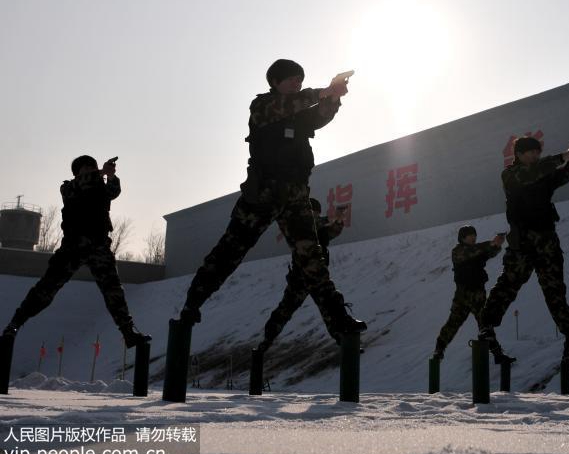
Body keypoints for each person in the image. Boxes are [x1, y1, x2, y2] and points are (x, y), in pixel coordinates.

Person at [177, 59, 365, 340]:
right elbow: (290, 105)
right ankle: (192, 305)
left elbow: (319, 116)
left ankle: (340, 322)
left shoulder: (297, 113)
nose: (297, 84)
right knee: (230, 251)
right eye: (291, 79)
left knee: (312, 258)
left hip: (296, 195)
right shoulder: (263, 106)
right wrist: (321, 92)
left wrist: (334, 97)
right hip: (263, 194)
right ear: (275, 82)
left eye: (300, 80)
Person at [2, 156, 150, 347]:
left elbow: (114, 191)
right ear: (78, 172)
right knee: (47, 288)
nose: (91, 171)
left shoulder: (100, 188)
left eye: (92, 167)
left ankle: (128, 332)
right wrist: (102, 172)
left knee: (113, 290)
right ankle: (14, 324)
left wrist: (111, 176)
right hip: (73, 246)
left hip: (98, 246)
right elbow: (81, 183)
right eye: (86, 168)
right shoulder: (69, 187)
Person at [478, 136, 569, 361]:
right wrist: (563, 156)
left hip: (547, 242)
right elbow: (532, 174)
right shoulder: (511, 175)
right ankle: (487, 327)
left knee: (555, 290)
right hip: (523, 243)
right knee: (509, 285)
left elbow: (559, 177)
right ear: (519, 154)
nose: (535, 155)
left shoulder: (541, 172)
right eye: (530, 152)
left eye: (537, 152)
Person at [258, 199, 350, 351]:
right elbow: (317, 224)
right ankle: (266, 341)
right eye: (314, 212)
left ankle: (344, 341)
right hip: (301, 277)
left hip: (316, 277)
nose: (315, 215)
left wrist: (339, 219)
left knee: (329, 309)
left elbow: (331, 231)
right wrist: (332, 218)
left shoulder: (318, 229)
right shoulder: (301, 225)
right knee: (285, 310)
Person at [433, 225, 515, 365]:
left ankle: (497, 354)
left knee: (485, 324)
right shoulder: (458, 251)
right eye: (470, 235)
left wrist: (497, 244)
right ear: (462, 238)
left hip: (478, 294)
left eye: (474, 235)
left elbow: (488, 253)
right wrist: (491, 243)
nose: (473, 237)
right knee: (453, 324)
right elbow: (473, 251)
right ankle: (438, 350)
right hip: (462, 296)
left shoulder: (476, 250)